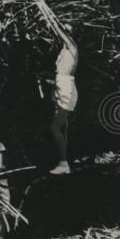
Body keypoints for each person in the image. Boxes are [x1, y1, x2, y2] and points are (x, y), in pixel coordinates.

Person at [48, 23, 79, 175]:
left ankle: (63, 163)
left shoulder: (72, 46)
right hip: (61, 86)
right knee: (63, 126)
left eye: (69, 29)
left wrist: (51, 20)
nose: (65, 31)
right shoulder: (65, 49)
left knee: (54, 127)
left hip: (66, 88)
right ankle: (65, 160)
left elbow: (60, 33)